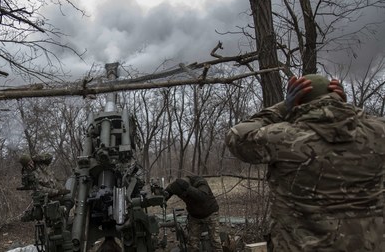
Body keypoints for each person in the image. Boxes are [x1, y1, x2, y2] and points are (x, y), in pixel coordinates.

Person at [225, 74, 385, 251]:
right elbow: (370, 123)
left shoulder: (282, 138)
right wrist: (344, 108)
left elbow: (236, 136)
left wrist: (284, 107)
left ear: (299, 102)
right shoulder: (378, 133)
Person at [164, 175, 223, 252]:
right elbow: (166, 193)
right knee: (192, 244)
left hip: (210, 213)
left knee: (215, 242)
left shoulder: (200, 182)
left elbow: (202, 197)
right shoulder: (175, 186)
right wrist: (163, 198)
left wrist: (188, 188)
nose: (184, 196)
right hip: (195, 216)